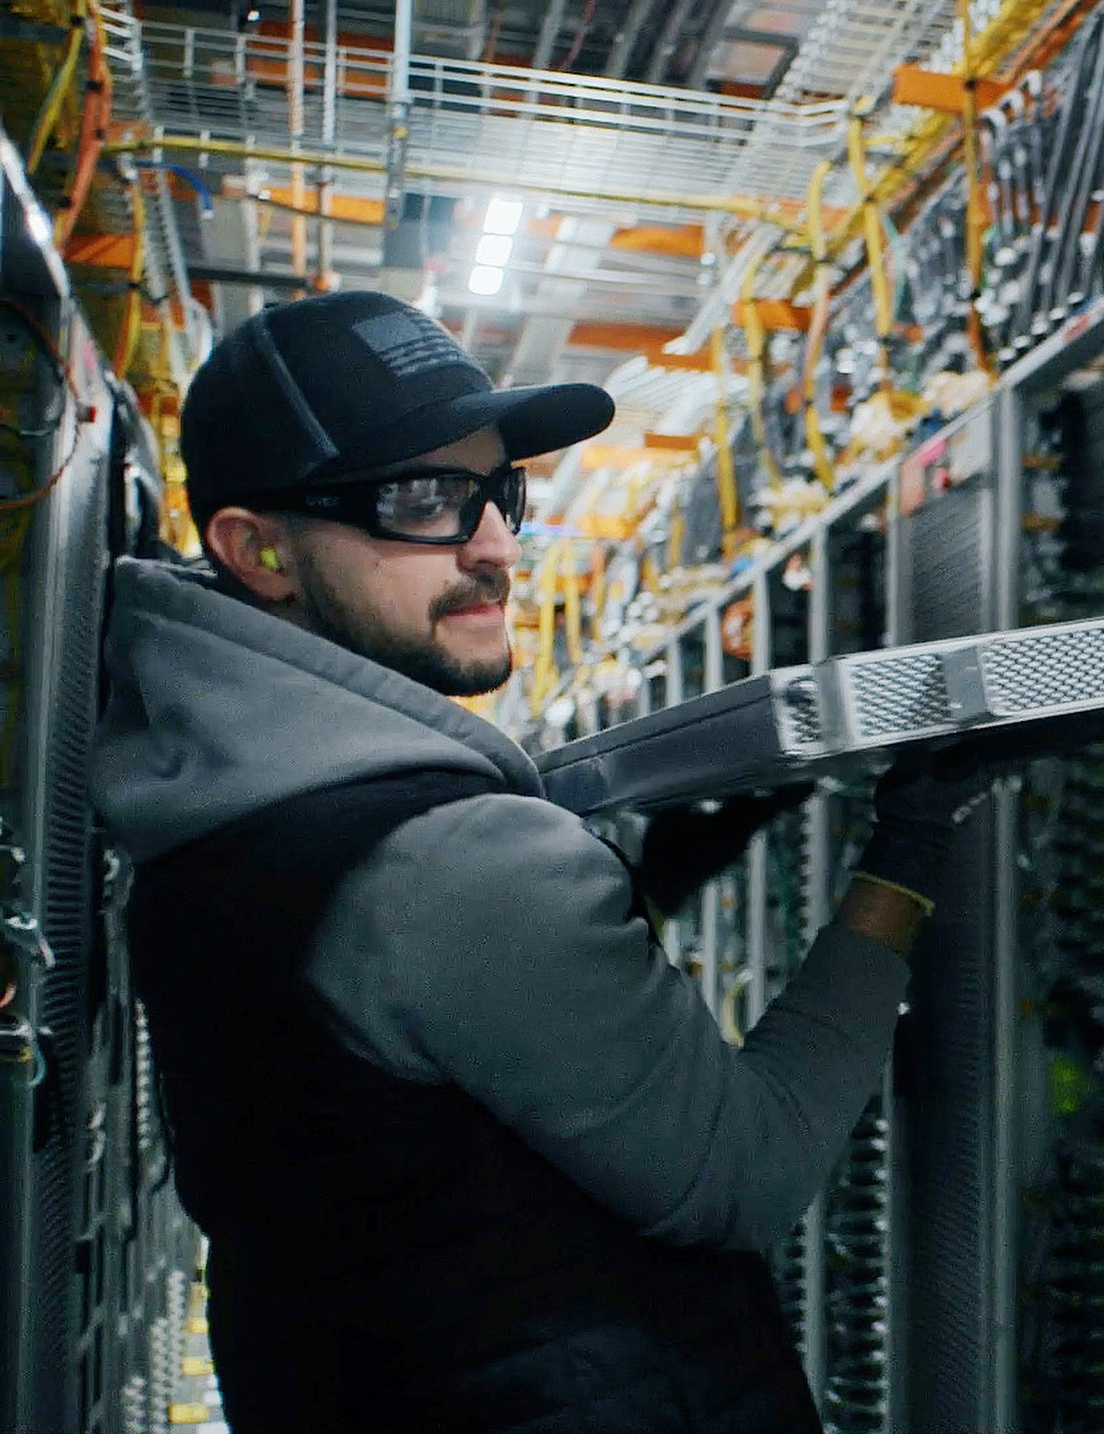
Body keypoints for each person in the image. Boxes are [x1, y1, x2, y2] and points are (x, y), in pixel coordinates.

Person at [89, 291, 963, 1433]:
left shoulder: (215, 802)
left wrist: (672, 844)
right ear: (258, 551)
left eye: (498, 492)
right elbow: (748, 1173)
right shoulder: (453, 860)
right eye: (422, 500)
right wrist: (912, 841)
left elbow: (444, 1041)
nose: (496, 547)